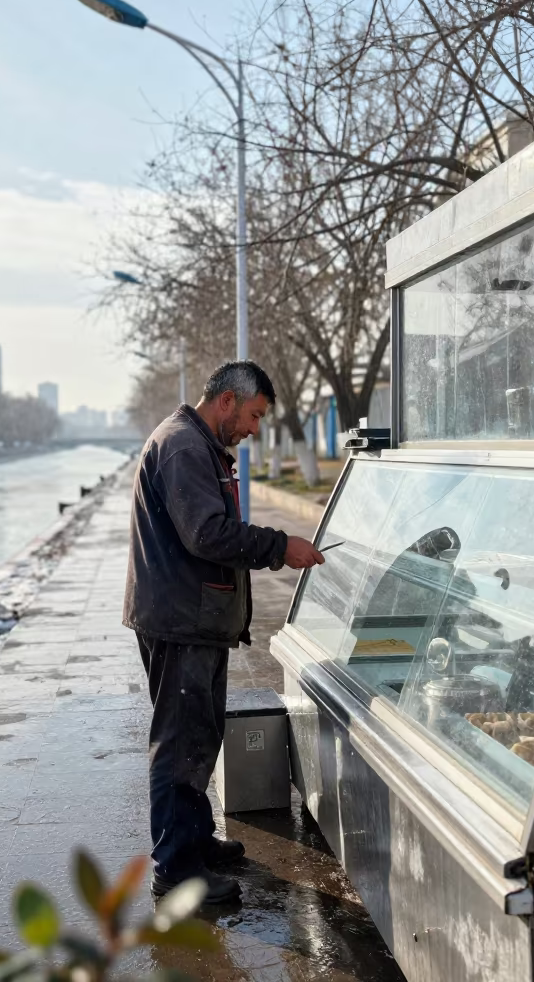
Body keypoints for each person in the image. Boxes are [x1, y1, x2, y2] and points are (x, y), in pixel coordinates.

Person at [123, 360, 324, 903]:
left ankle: (195, 839)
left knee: (200, 734)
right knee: (179, 744)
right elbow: (207, 534)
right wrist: (281, 547)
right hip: (180, 620)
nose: (255, 429)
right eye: (254, 415)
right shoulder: (186, 448)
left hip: (191, 617)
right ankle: (176, 870)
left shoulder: (197, 445)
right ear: (227, 401)